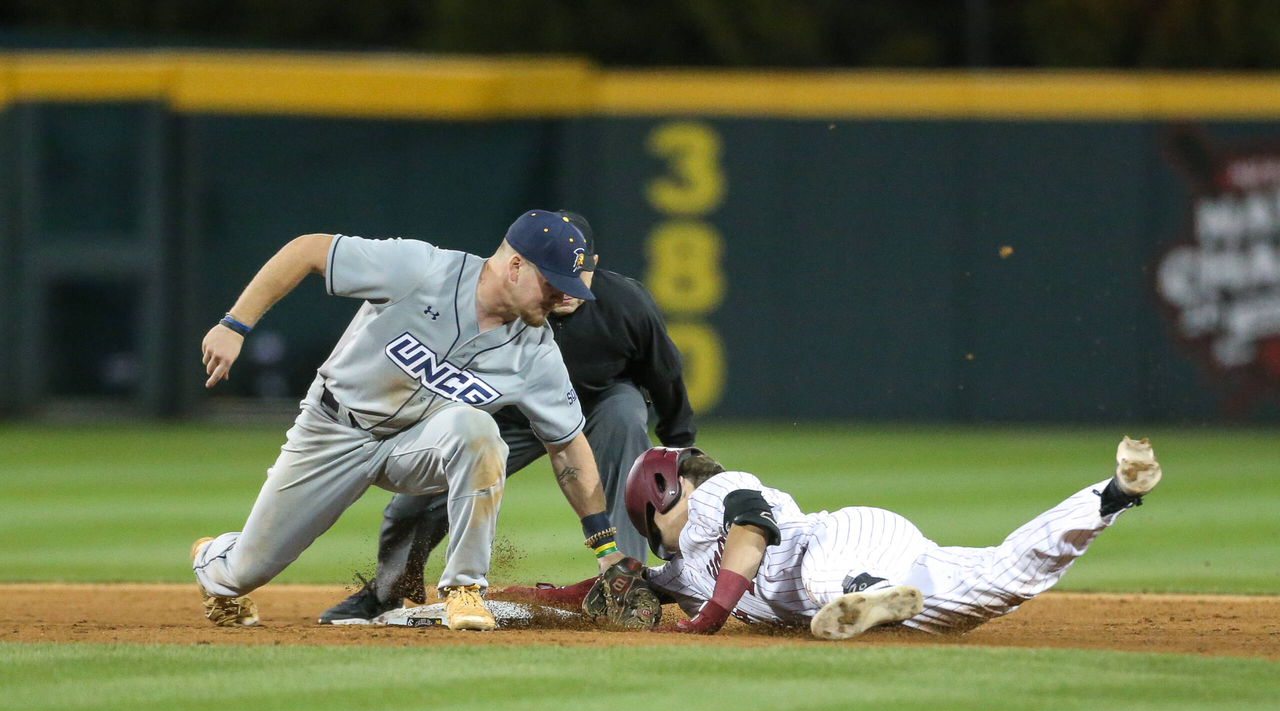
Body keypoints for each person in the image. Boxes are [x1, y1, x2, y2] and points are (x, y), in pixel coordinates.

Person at [191, 210, 628, 631]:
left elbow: (568, 446)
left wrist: (605, 547)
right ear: (515, 265)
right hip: (334, 430)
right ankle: (214, 556)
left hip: (415, 446)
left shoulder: (537, 353)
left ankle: (464, 588)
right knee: (242, 573)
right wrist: (234, 324)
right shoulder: (421, 270)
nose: (561, 297)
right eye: (552, 283)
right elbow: (308, 251)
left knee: (478, 433)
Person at [317, 212, 696, 624]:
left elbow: (666, 378)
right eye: (552, 276)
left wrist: (678, 454)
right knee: (411, 506)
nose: (563, 291)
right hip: (510, 413)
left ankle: (624, 588)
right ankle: (388, 589)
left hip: (599, 405)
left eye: (577, 274)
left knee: (625, 411)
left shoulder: (626, 303)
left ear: (594, 263)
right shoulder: (505, 298)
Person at [509, 438, 1162, 639]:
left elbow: (752, 533)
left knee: (819, 582)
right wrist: (509, 600)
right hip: (881, 563)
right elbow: (599, 591)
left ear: (659, 495)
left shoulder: (715, 493)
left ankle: (869, 596)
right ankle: (1114, 494)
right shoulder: (681, 572)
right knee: (991, 588)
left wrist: (708, 619)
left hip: (843, 541)